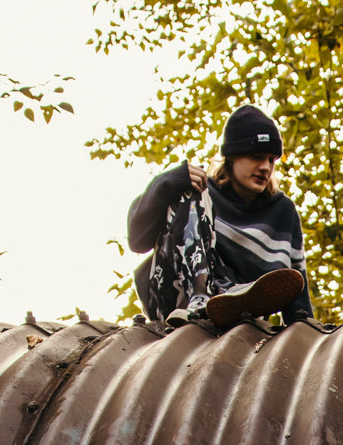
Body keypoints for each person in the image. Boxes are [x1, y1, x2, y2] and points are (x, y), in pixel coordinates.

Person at [125, 104, 311, 329]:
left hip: (240, 315)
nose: (265, 167)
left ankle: (229, 296)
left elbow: (295, 289)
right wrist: (167, 183)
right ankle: (200, 295)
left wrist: (306, 334)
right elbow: (137, 240)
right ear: (231, 158)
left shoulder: (283, 213)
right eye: (257, 157)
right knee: (191, 188)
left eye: (272, 160)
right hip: (175, 298)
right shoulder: (203, 193)